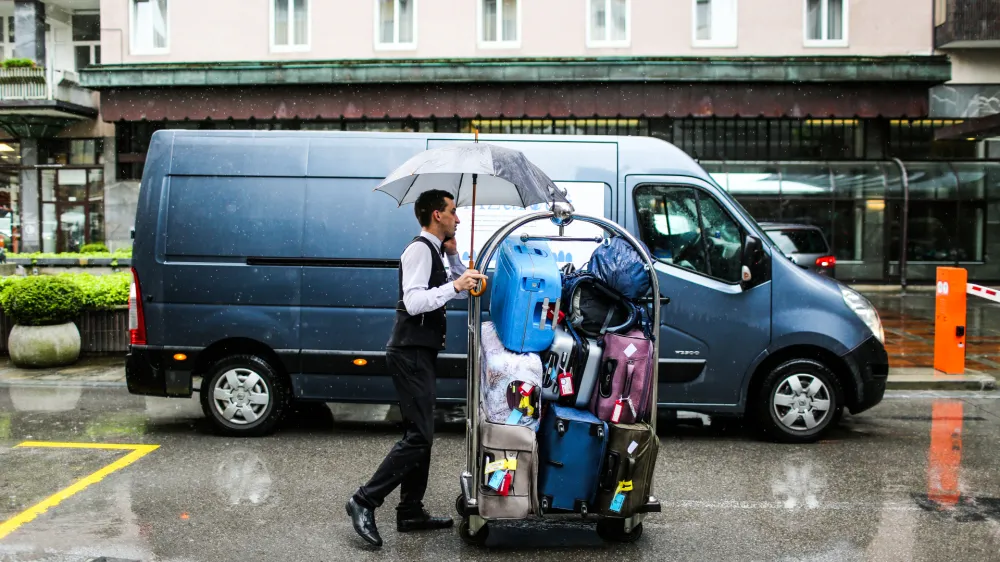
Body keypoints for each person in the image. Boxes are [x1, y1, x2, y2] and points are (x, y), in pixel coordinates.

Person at [346, 189, 487, 548]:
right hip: (409, 352)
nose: (458, 218)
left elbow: (461, 290)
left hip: (419, 352)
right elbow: (413, 301)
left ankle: (410, 510)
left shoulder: (437, 251)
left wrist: (455, 261)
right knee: (419, 436)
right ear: (437, 215)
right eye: (453, 211)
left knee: (420, 432)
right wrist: (454, 283)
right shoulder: (419, 250)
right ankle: (364, 500)